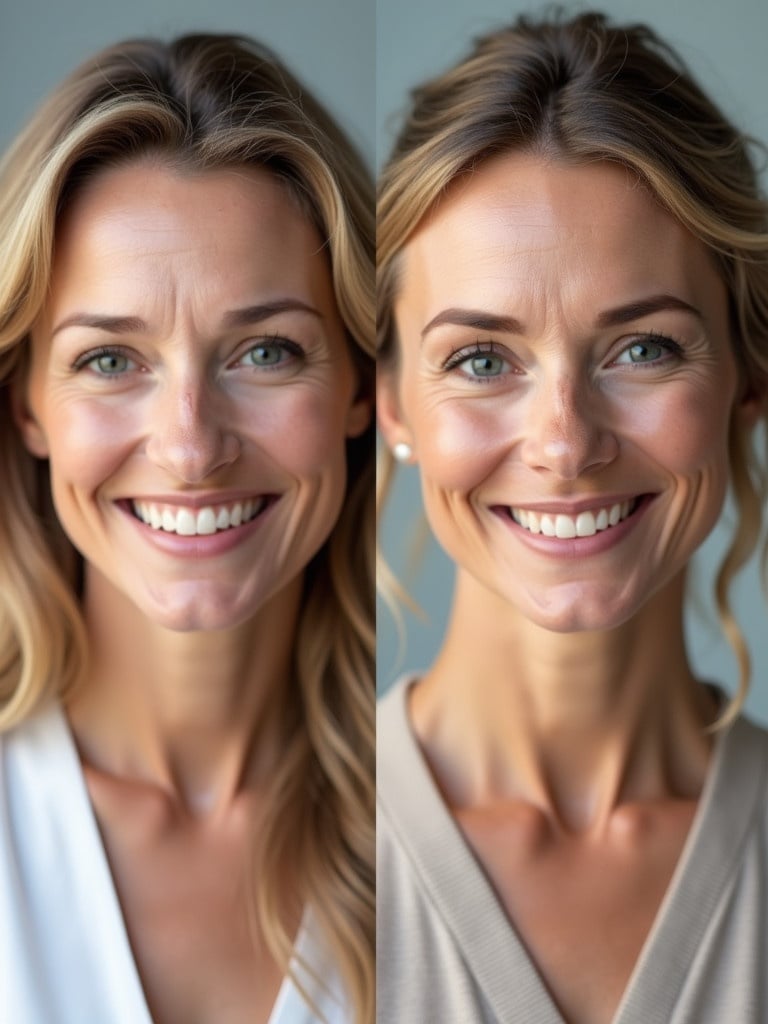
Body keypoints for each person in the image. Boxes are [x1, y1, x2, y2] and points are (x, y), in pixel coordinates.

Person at [376, 11, 768, 1023]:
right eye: (479, 359)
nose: (564, 441)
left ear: (748, 376)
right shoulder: (275, 849)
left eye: (642, 348)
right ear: (389, 404)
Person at [0, 33, 374, 1024]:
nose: (191, 446)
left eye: (264, 350)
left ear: (360, 388)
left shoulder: (452, 833)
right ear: (27, 407)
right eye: (110, 361)